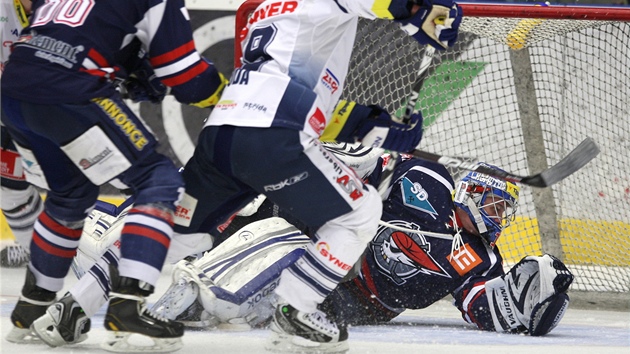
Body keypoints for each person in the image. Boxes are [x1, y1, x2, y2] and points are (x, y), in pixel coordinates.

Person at [171, 0, 462, 351]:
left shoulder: (273, 10)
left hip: (226, 129)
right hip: (275, 137)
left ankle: (95, 281)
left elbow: (296, 95)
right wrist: (417, 9)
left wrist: (372, 124)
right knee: (360, 214)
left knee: (178, 233)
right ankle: (297, 310)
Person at [152, 145, 575, 338]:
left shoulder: (480, 260)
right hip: (330, 252)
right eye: (497, 206)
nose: (499, 218)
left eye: (505, 212)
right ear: (474, 192)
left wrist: (537, 295)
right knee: (276, 232)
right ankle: (192, 288)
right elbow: (365, 165)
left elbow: (492, 308)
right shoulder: (427, 179)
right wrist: (352, 153)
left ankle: (217, 303)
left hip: (360, 304)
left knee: (266, 303)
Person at [1, 0, 227, 352]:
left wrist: (128, 68)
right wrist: (223, 93)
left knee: (69, 195)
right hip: (71, 89)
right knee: (159, 180)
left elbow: (74, 34)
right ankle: (127, 306)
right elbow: (186, 78)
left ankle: (30, 310)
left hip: (14, 91)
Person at [0, 0, 42, 268]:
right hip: (14, 112)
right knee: (7, 189)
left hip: (73, 110)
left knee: (122, 176)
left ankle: (177, 236)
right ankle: (41, 253)